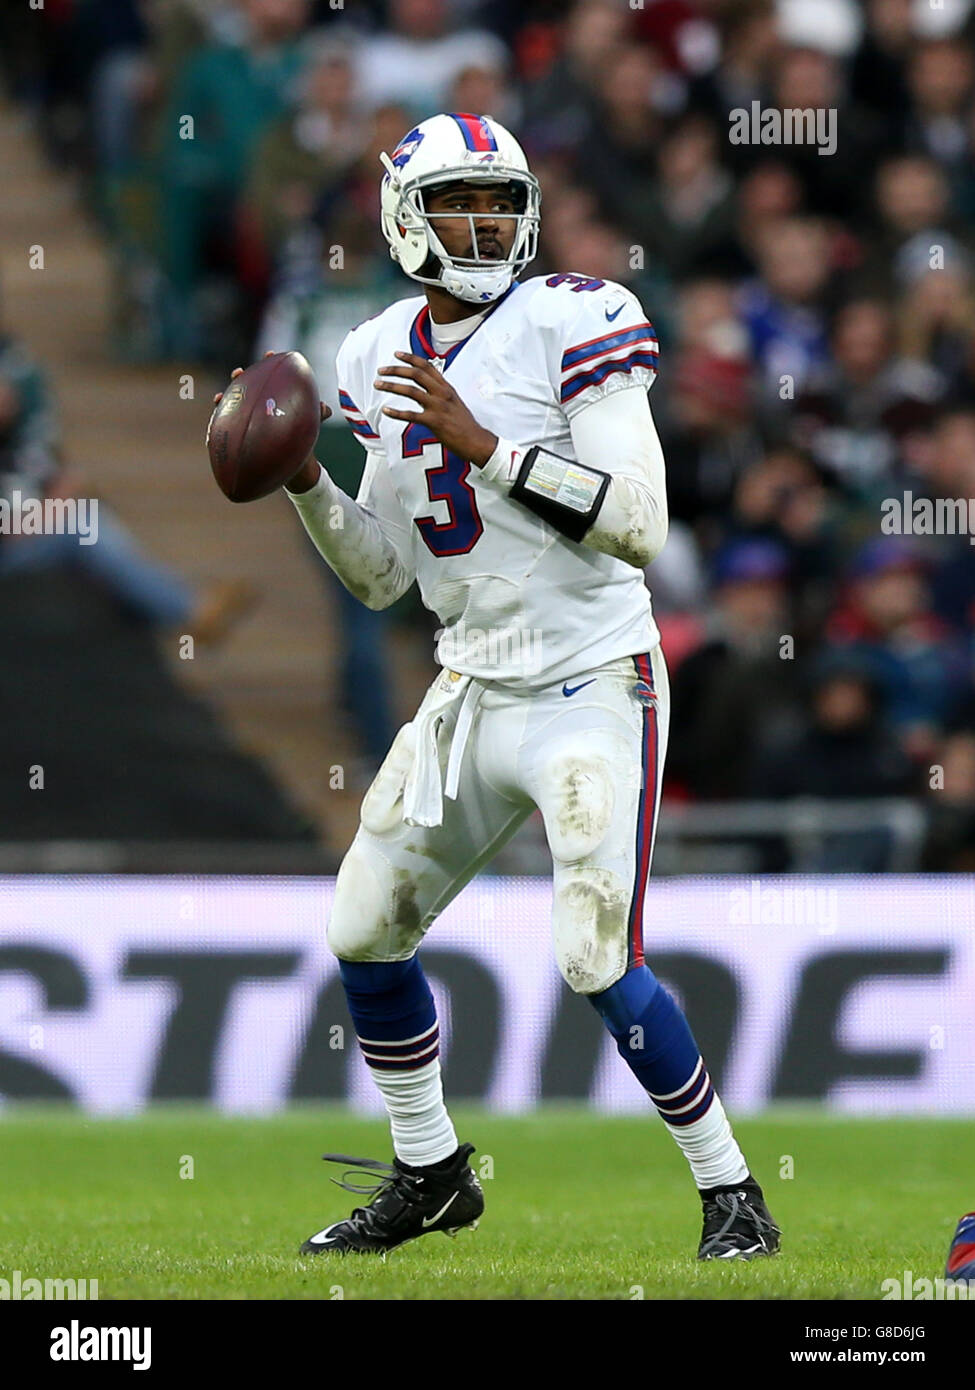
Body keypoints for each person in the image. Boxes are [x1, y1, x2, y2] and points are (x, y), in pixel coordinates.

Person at [218, 113, 780, 1262]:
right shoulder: (374, 349)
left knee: (592, 952)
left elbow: (638, 520)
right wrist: (302, 483)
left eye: (499, 201)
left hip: (588, 673)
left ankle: (733, 1195)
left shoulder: (578, 316)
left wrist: (485, 446)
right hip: (471, 677)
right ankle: (429, 1171)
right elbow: (382, 576)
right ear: (404, 220)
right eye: (458, 203)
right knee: (364, 928)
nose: (484, 224)